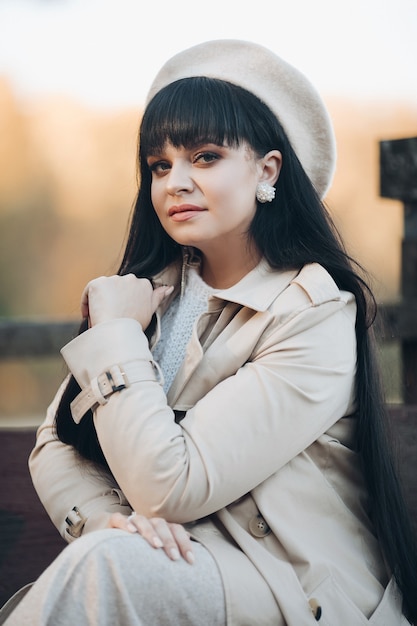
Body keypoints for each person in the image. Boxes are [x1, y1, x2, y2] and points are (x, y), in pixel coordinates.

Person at [2, 39, 416, 625]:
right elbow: (55, 441)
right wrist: (109, 524)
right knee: (110, 562)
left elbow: (172, 486)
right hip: (174, 565)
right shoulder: (149, 294)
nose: (176, 182)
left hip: (290, 590)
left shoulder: (313, 312)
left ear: (267, 170)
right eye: (160, 165)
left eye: (205, 157)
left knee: (109, 571)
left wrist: (116, 331)